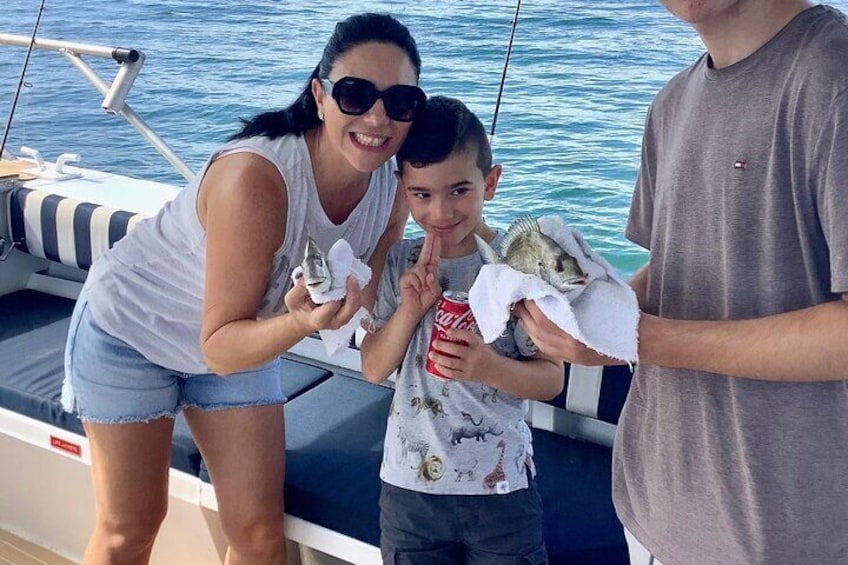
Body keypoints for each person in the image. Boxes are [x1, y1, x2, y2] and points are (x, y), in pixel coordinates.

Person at [61, 13, 425, 564]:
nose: (378, 117)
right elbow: (219, 345)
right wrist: (302, 322)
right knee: (130, 527)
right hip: (132, 331)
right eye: (355, 94)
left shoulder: (392, 184)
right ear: (320, 95)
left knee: (257, 533)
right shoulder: (255, 179)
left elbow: (370, 284)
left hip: (243, 336)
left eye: (400, 101)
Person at [514, 1, 848, 563]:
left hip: (787, 535)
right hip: (651, 511)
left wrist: (639, 339)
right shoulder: (670, 104)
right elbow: (676, 272)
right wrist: (587, 316)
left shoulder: (833, 77)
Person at [360, 95, 563, 564]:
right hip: (408, 490)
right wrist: (410, 310)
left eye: (459, 190)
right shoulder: (397, 262)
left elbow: (551, 377)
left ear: (490, 183)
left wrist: (487, 366)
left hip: (502, 490)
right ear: (402, 188)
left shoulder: (519, 266)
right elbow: (373, 368)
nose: (440, 212)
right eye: (422, 195)